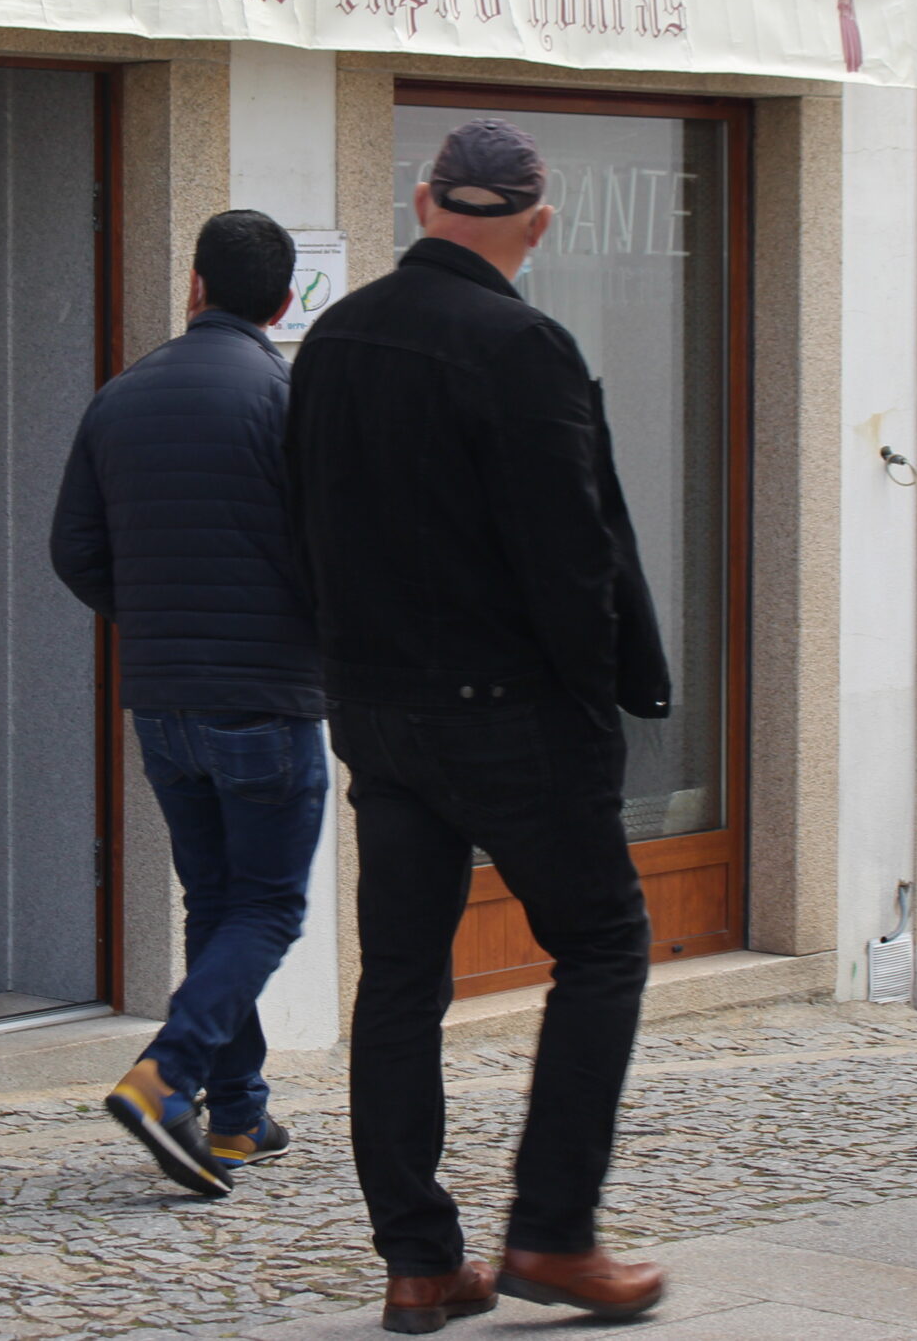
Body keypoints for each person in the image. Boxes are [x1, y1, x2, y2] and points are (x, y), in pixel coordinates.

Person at [287, 119, 672, 1334]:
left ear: (420, 200)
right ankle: (553, 1233)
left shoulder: (334, 335)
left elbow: (300, 518)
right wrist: (595, 713)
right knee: (604, 944)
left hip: (378, 714)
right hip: (504, 712)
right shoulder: (522, 345)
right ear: (537, 223)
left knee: (400, 981)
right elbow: (574, 557)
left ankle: (417, 1261)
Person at [50, 210, 326, 1200]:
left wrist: (157, 619)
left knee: (216, 902)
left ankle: (240, 1115)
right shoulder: (288, 400)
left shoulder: (120, 399)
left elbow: (73, 550)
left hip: (161, 701)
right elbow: (330, 557)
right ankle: (168, 1073)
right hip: (264, 699)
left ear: (195, 287)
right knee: (267, 907)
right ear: (285, 304)